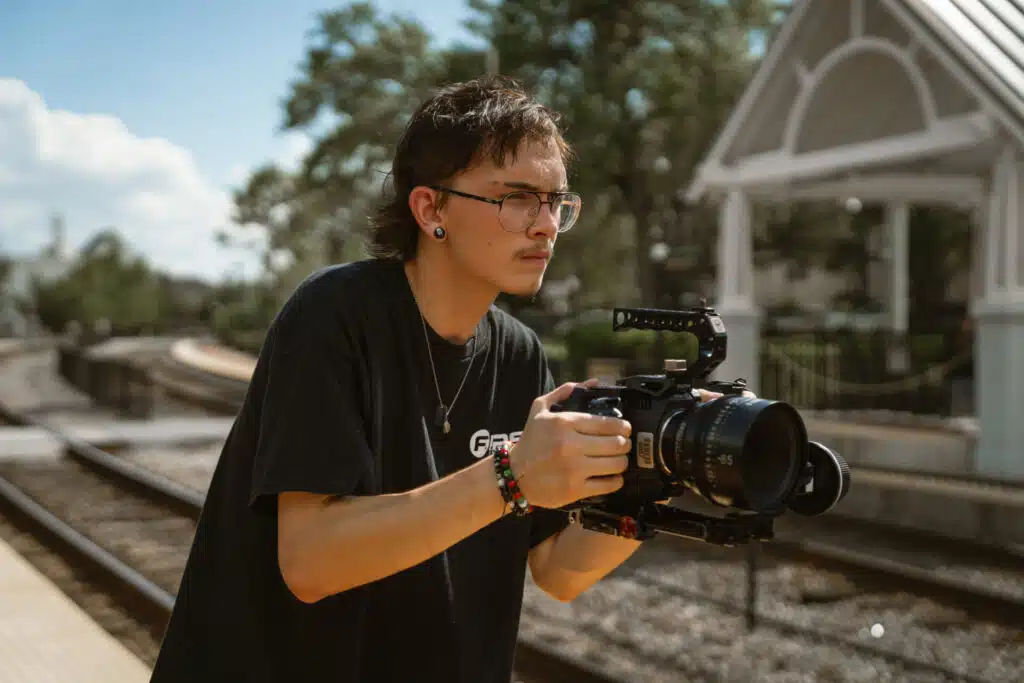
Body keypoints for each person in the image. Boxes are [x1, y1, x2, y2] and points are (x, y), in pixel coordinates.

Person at [149, 75, 724, 683]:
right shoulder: (336, 315)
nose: (546, 224)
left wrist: (657, 476)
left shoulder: (520, 355)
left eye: (556, 201)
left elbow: (558, 570)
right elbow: (311, 561)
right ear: (430, 209)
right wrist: (511, 475)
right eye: (517, 198)